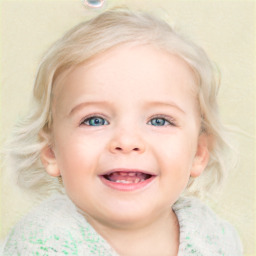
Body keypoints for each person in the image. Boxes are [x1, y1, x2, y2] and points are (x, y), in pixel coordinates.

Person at [2, 8, 243, 256]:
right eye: (95, 120)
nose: (127, 142)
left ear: (199, 153)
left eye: (159, 121)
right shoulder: (40, 243)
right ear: (51, 151)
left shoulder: (212, 235)